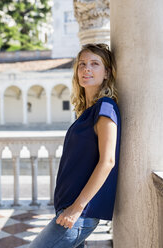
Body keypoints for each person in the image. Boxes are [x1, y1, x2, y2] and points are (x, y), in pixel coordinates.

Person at [29, 43, 121, 248]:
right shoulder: (88, 111)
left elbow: (108, 161)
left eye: (95, 64)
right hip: (69, 208)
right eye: (82, 64)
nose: (86, 68)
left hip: (79, 213)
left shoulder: (106, 107)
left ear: (106, 73)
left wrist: (77, 208)